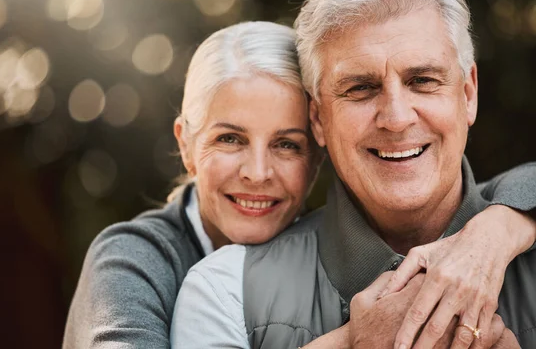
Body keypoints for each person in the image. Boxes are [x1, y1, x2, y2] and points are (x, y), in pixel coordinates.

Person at [63, 22, 535, 349]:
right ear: (186, 144)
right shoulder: (133, 258)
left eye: (287, 145)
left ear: (320, 148)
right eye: (229, 138)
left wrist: (499, 229)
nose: (257, 172)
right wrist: (354, 339)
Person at [170, 0, 536, 349]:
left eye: (422, 81)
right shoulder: (225, 293)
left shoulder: (517, 226)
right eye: (360, 88)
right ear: (318, 119)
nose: (396, 118)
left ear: (467, 95)